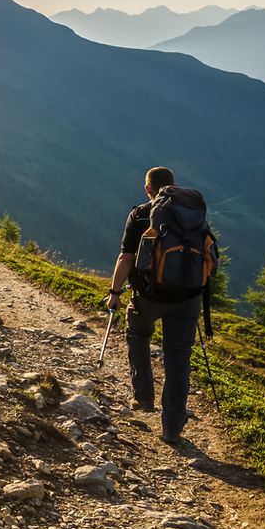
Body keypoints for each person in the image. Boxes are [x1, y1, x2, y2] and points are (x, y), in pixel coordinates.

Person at [105, 166, 203, 445]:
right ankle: (172, 427)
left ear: (148, 189)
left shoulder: (139, 215)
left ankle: (144, 398)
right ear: (173, 186)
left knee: (138, 334)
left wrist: (114, 292)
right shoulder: (191, 213)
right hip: (187, 297)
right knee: (179, 357)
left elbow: (125, 259)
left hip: (148, 295)